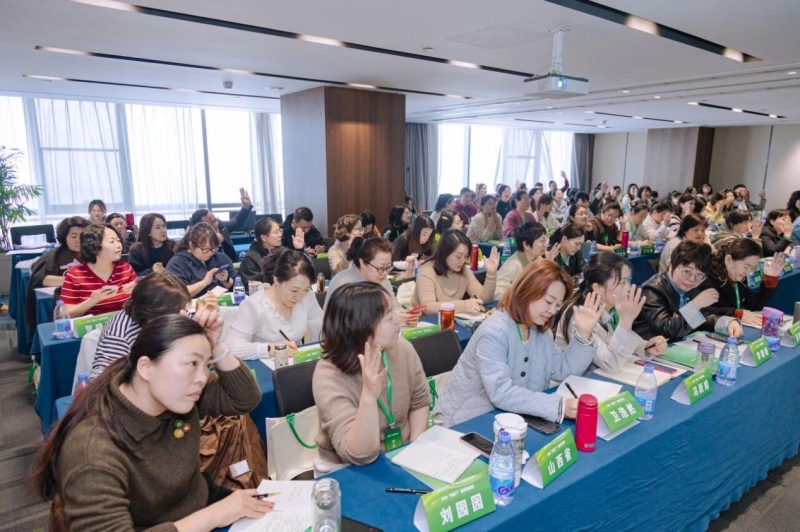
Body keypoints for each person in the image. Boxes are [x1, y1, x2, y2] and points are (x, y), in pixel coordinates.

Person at [33, 313, 269, 531]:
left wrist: (215, 347)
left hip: (196, 503)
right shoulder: (92, 450)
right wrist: (213, 516)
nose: (202, 378)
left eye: (207, 366)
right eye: (192, 363)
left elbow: (245, 398)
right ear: (145, 367)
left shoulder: (175, 395)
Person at [437, 260, 600, 426]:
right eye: (548, 301)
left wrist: (584, 334)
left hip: (513, 418)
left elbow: (564, 371)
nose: (552, 311)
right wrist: (559, 406)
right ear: (527, 291)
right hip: (466, 422)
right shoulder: (493, 332)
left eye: (557, 305)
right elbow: (501, 392)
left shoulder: (541, 332)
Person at [313, 282, 430, 465]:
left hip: (401, 453)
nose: (397, 320)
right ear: (362, 327)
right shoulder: (328, 375)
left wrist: (414, 450)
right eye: (388, 317)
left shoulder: (402, 349)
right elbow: (359, 455)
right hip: (348, 468)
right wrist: (368, 395)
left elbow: (420, 402)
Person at [555, 253, 668, 373]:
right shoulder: (580, 315)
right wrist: (626, 321)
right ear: (598, 288)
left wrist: (646, 348)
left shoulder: (610, 307)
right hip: (576, 381)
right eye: (622, 282)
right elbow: (610, 364)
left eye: (628, 280)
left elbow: (616, 343)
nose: (629, 288)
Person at [633, 240, 743, 341]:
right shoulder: (651, 291)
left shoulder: (689, 286)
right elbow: (669, 330)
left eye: (699, 275)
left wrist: (727, 323)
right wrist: (695, 304)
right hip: (649, 350)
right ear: (671, 265)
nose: (692, 279)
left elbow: (700, 318)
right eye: (687, 272)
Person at [92, 271, 192, 376]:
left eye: (183, 309)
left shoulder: (176, 313)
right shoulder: (120, 335)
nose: (183, 315)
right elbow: (102, 380)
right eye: (175, 313)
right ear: (150, 314)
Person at [227, 250, 322, 360]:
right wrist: (269, 348)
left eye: (305, 289)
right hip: (265, 366)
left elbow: (321, 328)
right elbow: (232, 347)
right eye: (294, 290)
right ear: (276, 280)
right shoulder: (254, 306)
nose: (299, 297)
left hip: (296, 363)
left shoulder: (308, 297)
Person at [324, 237, 419, 325]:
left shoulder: (382, 279)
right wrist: (390, 318)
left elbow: (393, 304)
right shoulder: (343, 283)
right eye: (381, 268)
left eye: (388, 267)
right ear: (362, 262)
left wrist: (407, 316)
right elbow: (348, 323)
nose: (385, 273)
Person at [24, 217, 90, 337]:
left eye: (82, 236)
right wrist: (73, 281)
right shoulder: (54, 256)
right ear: (65, 237)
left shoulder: (94, 253)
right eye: (73, 236)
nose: (78, 240)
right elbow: (41, 279)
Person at [411, 229, 498, 316]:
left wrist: (491, 273)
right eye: (459, 256)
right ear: (444, 253)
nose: (463, 260)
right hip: (424, 321)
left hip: (450, 318)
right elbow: (428, 308)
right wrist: (464, 305)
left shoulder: (464, 271)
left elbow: (483, 299)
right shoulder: (427, 271)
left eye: (466, 256)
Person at [60, 224, 138, 318]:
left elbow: (143, 303)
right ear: (94, 246)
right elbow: (65, 315)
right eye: (111, 241)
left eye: (118, 241)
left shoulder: (125, 268)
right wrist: (93, 300)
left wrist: (137, 290)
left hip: (123, 322)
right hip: (92, 324)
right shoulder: (75, 275)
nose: (118, 245)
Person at [703, 238, 785, 328]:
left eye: (752, 268)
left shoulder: (739, 277)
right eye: (746, 267)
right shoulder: (707, 277)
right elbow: (702, 312)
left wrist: (770, 279)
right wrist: (735, 313)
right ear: (728, 260)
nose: (749, 272)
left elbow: (751, 305)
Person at [166, 223, 234, 298]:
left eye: (214, 248)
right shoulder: (177, 263)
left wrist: (226, 280)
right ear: (192, 245)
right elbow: (177, 294)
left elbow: (238, 286)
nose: (210, 253)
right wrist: (204, 282)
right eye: (205, 249)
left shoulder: (221, 258)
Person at [190, 188, 254, 262]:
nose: (215, 225)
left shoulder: (222, 226)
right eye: (211, 224)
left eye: (215, 220)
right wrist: (215, 242)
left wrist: (246, 207)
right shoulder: (195, 245)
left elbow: (238, 221)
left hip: (231, 263)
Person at [239, 217, 303, 284]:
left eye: (280, 231)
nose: (280, 235)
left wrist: (299, 249)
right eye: (276, 232)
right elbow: (252, 285)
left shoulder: (283, 251)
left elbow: (299, 269)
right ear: (264, 238)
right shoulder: (250, 259)